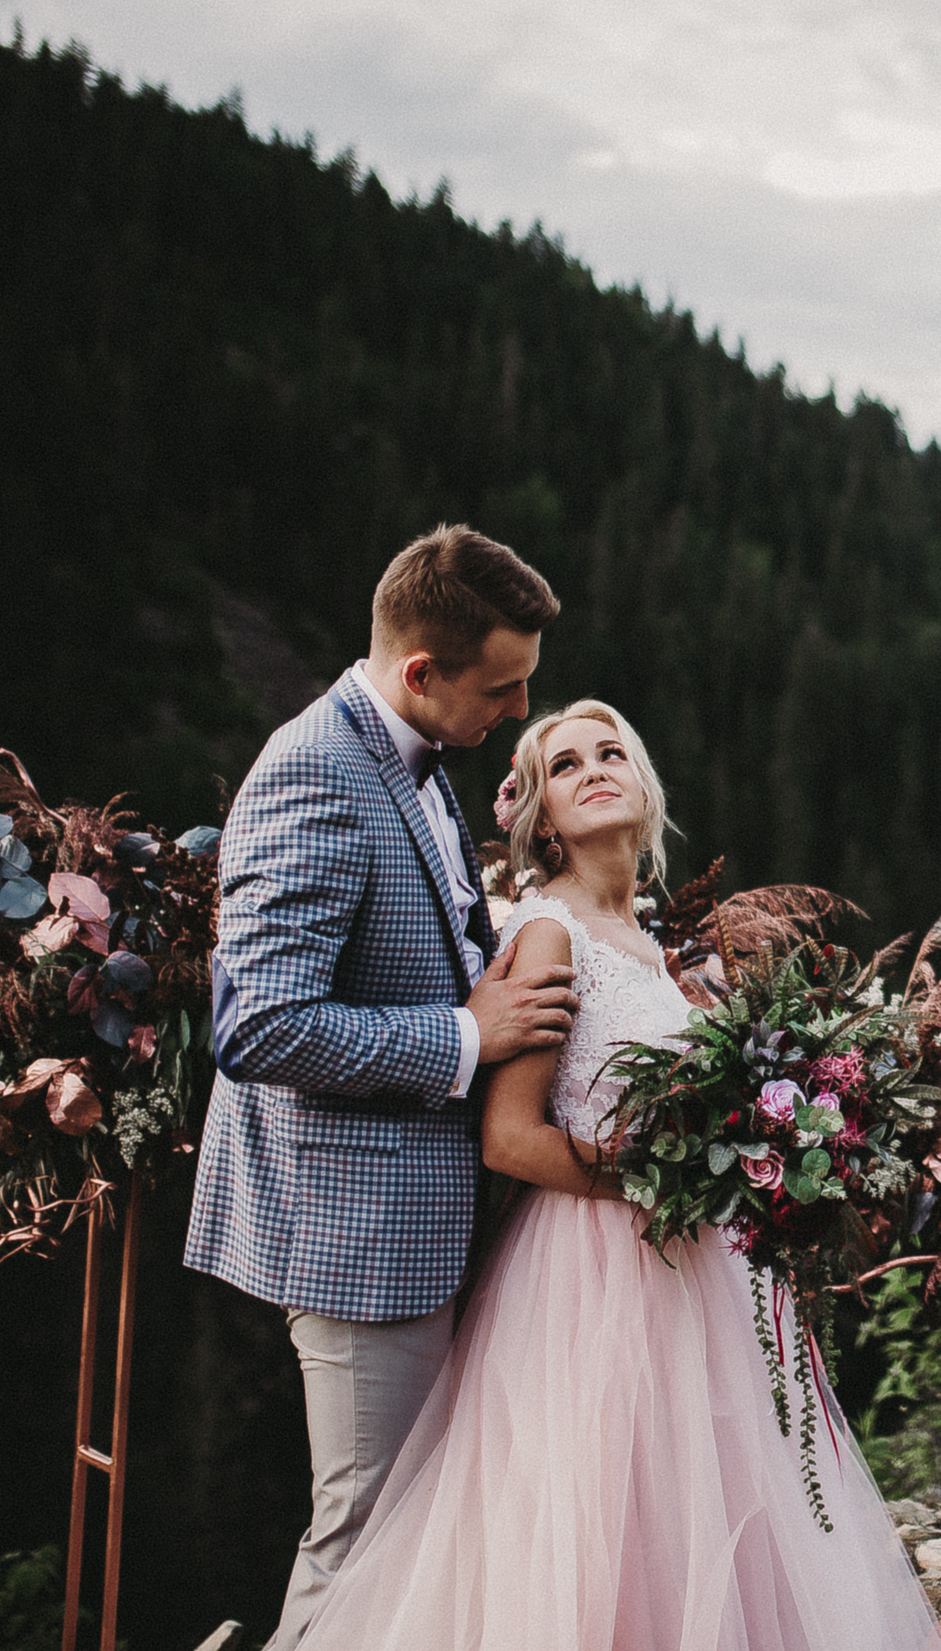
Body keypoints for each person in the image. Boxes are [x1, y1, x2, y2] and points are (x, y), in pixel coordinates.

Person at [292, 700, 941, 1650]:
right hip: (588, 1271)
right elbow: (509, 1137)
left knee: (700, 1500)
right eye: (565, 764)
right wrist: (650, 1181)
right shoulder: (551, 933)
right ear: (543, 820)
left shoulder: (653, 947)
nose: (595, 768)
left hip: (690, 1265)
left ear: (645, 791)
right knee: (597, 1518)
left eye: (612, 753)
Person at [185, 526, 579, 1651]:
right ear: (422, 672)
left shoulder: (402, 755)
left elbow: (407, 930)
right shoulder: (314, 770)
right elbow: (261, 1023)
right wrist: (466, 1034)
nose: (513, 713)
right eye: (500, 689)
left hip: (418, 1216)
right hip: (356, 1237)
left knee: (408, 1529)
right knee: (367, 1533)